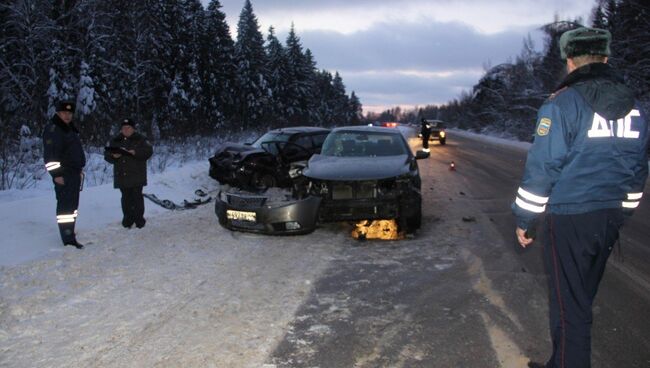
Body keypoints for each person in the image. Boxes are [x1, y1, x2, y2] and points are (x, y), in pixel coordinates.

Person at [512, 27, 648, 368]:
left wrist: (525, 219)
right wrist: (622, 212)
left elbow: (543, 168)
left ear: (571, 61)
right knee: (578, 300)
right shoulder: (637, 107)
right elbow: (638, 167)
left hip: (571, 218)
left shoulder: (563, 104)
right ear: (605, 58)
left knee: (569, 308)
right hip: (609, 218)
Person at [42, 100, 86, 249]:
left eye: (69, 113)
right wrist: (56, 174)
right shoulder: (54, 130)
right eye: (64, 113)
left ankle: (70, 232)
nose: (67, 116)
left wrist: (79, 169)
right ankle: (68, 239)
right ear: (58, 113)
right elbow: (50, 156)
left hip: (73, 173)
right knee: (65, 208)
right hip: (64, 174)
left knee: (72, 206)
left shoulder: (68, 128)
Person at [104, 118, 153, 228]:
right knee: (125, 198)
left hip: (137, 175)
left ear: (133, 129)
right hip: (122, 175)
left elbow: (148, 151)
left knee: (137, 197)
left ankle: (139, 220)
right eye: (123, 128)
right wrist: (113, 156)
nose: (126, 130)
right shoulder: (115, 140)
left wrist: (135, 152)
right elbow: (107, 155)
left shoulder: (140, 139)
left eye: (128, 128)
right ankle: (127, 220)